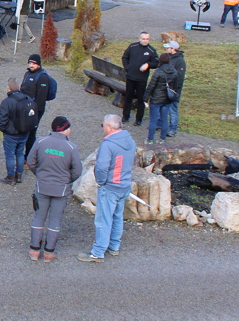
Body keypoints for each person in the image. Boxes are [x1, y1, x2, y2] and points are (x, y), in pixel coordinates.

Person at [78, 114, 137, 263]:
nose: (103, 128)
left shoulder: (108, 145)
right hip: (124, 186)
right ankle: (114, 247)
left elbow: (101, 167)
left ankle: (98, 252)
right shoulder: (129, 140)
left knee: (103, 220)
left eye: (103, 125)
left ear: (109, 128)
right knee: (117, 217)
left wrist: (101, 182)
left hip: (110, 187)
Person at [27, 116, 82, 262]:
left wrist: (40, 175)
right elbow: (77, 171)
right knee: (55, 219)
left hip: (42, 187)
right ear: (65, 129)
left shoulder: (41, 142)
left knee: (39, 217)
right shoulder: (71, 148)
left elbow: (31, 161)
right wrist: (66, 181)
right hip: (61, 189)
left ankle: (34, 250)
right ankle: (49, 253)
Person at [0, 77, 36, 184]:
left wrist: (3, 129)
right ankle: (19, 175)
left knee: (10, 155)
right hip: (24, 132)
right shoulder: (27, 98)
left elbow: (2, 118)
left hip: (11, 134)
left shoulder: (7, 102)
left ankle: (10, 177)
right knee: (20, 153)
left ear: (9, 88)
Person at [120, 32, 158, 126]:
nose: (145, 41)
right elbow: (125, 57)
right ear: (140, 39)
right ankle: (125, 116)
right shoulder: (132, 47)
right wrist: (127, 68)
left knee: (141, 99)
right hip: (130, 77)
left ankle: (139, 119)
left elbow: (156, 63)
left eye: (147, 39)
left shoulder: (151, 50)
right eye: (144, 39)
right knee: (128, 97)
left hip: (141, 79)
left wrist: (148, 65)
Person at [21, 54, 53, 156]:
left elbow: (41, 98)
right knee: (23, 131)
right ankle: (23, 155)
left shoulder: (42, 77)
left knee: (31, 134)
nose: (31, 65)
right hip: (25, 108)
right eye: (30, 63)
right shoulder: (27, 74)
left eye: (34, 63)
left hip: (34, 110)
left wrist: (35, 112)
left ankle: (28, 158)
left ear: (38, 64)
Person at [144, 52, 178, 142]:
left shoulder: (158, 71)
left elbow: (151, 85)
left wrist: (145, 98)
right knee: (164, 119)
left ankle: (150, 139)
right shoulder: (174, 72)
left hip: (156, 98)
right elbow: (174, 86)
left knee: (153, 120)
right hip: (167, 99)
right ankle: (162, 139)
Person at [163, 40, 186, 137]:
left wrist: (174, 90)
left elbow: (179, 77)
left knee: (172, 110)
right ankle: (160, 124)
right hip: (165, 88)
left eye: (168, 48)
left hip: (173, 90)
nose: (166, 49)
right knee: (163, 107)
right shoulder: (169, 58)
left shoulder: (180, 61)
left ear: (174, 49)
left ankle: (173, 129)